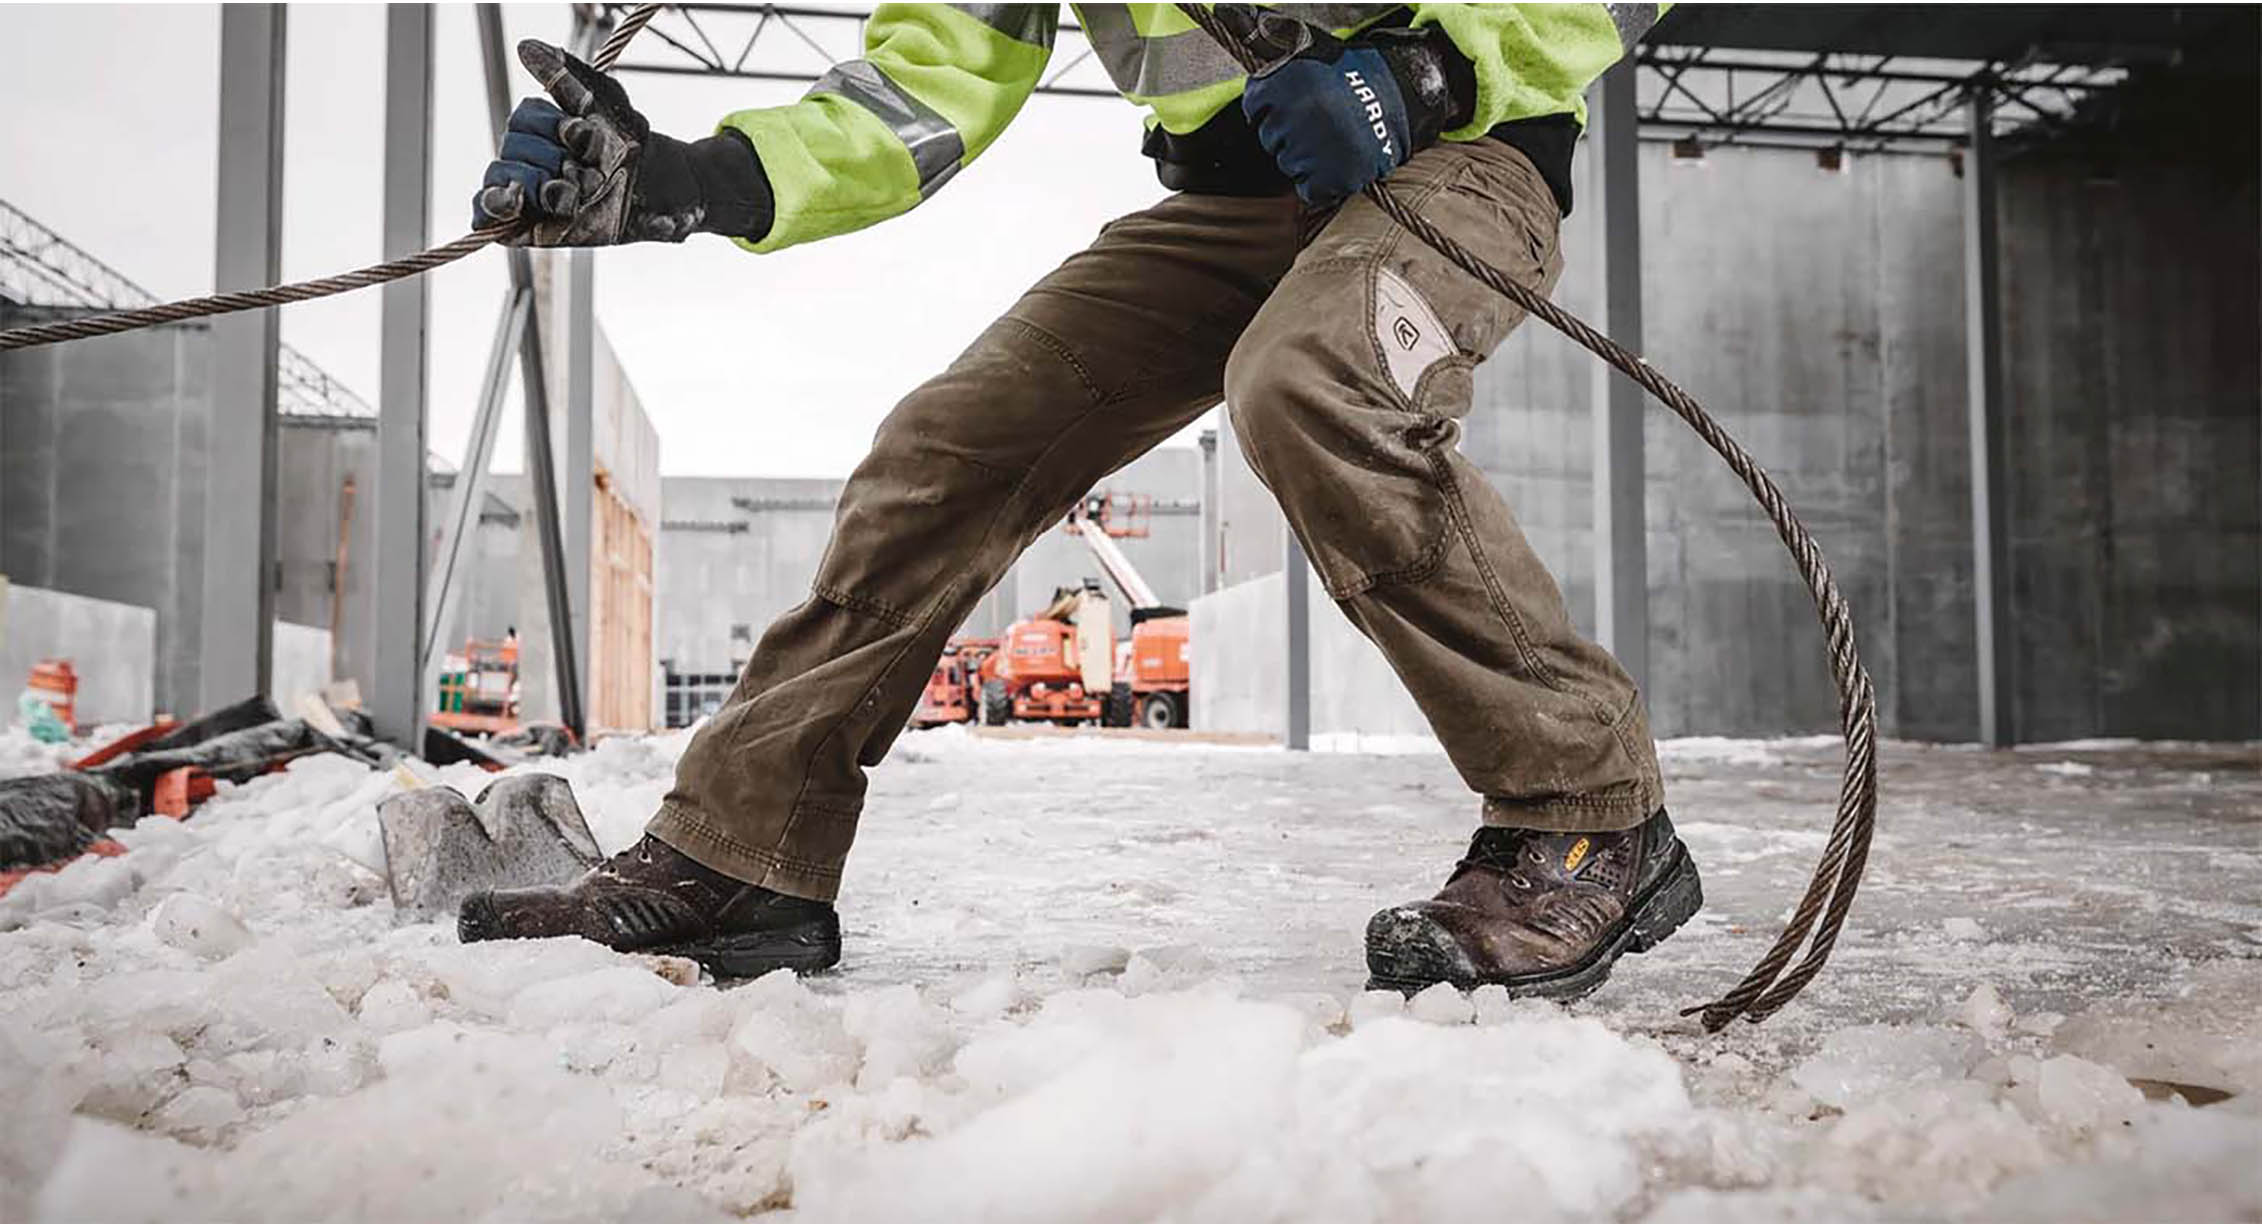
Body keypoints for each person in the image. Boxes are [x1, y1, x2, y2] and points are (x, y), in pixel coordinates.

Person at [457, 3, 1704, 1001]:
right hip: (1233, 192)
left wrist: (1435, 69)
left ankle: (1585, 813)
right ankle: (743, 857)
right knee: (946, 446)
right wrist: (700, 176)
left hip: (1455, 158)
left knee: (1311, 381)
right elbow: (930, 84)